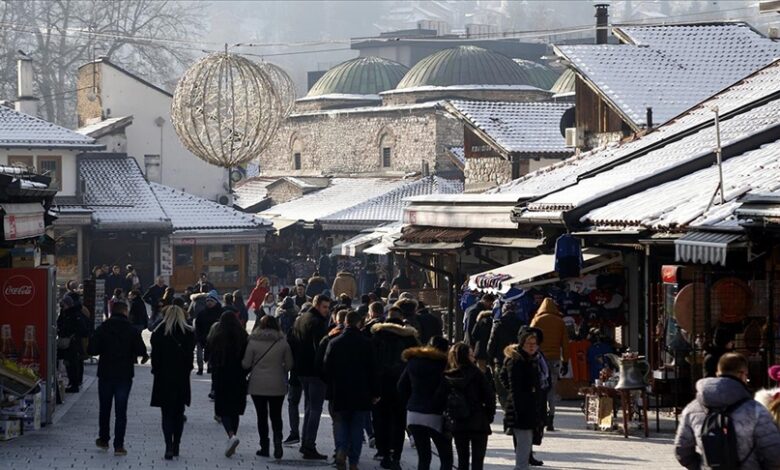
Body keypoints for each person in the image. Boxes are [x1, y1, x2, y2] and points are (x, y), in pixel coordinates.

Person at [675, 353, 780, 469]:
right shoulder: (755, 410)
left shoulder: (692, 409)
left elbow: (681, 450)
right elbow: (773, 453)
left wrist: (701, 466)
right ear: (742, 375)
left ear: (717, 373)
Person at [87, 301, 148, 456]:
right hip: (124, 374)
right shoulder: (131, 329)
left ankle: (104, 439)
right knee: (121, 411)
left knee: (104, 408)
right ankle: (119, 445)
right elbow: (141, 350)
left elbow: (92, 349)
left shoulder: (103, 328)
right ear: (125, 311)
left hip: (106, 373)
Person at [323, 309, 379, 470]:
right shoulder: (367, 344)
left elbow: (326, 368)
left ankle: (341, 450)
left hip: (340, 391)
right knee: (356, 427)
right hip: (361, 392)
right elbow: (374, 370)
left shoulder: (334, 343)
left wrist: (331, 387)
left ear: (345, 322)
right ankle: (353, 461)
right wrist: (375, 392)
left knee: (341, 424)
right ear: (359, 324)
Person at [371, 308, 419, 469]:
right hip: (402, 387)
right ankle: (395, 455)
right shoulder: (410, 338)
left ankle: (383, 452)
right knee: (399, 422)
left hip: (380, 385)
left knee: (380, 420)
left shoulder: (377, 336)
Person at [242, 315, 293, 459]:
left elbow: (246, 363)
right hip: (277, 384)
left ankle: (264, 447)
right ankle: (278, 442)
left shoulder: (252, 342)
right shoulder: (283, 342)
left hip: (257, 385)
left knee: (261, 416)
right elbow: (289, 364)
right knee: (276, 416)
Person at [398, 336, 453, 470]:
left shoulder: (413, 361)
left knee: (424, 457)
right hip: (435, 414)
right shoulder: (443, 364)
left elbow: (401, 386)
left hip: (414, 413)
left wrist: (411, 401)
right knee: (446, 457)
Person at [288, 294, 332, 460]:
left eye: (328, 307)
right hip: (314, 372)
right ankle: (308, 445)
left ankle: (305, 443)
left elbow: (291, 341)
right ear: (317, 305)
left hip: (300, 370)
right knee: (315, 409)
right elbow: (320, 349)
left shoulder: (301, 319)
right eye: (324, 307)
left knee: (309, 407)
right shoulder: (318, 323)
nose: (327, 311)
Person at [150, 305, 195, 460]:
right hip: (181, 378)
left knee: (166, 414)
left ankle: (168, 445)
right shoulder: (188, 332)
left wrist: (156, 370)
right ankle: (177, 445)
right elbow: (190, 358)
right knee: (179, 413)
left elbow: (155, 359)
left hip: (164, 378)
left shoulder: (159, 333)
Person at [500, 328, 548, 470]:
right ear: (522, 344)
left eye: (535, 343)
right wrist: (519, 409)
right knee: (523, 447)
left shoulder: (532, 359)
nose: (532, 346)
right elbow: (514, 387)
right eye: (529, 343)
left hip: (531, 408)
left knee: (526, 446)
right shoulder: (517, 361)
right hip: (521, 410)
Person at [442, 342, 495, 470]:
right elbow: (489, 397)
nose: (474, 358)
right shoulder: (478, 374)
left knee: (462, 459)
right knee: (478, 461)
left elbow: (441, 399)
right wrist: (489, 416)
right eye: (471, 355)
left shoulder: (448, 376)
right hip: (478, 421)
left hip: (459, 421)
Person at [208, 312, 249, 457]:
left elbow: (210, 356)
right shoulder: (243, 336)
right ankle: (233, 437)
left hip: (222, 376)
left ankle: (231, 436)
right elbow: (248, 358)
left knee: (224, 409)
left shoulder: (217, 336)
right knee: (235, 410)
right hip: (239, 377)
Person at [529, 298, 569, 431]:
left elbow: (529, 339)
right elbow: (565, 344)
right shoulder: (560, 322)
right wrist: (565, 361)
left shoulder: (537, 320)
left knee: (539, 388)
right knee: (552, 390)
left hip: (539, 359)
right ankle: (551, 418)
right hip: (555, 359)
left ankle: (541, 417)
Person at [488, 302, 524, 408]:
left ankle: (506, 408)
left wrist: (490, 359)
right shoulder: (521, 324)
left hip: (500, 360)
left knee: (502, 388)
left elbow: (492, 343)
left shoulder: (498, 324)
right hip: (517, 360)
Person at [57, 296, 89, 393]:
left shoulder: (75, 314)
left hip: (73, 343)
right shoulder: (65, 313)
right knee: (69, 363)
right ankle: (73, 383)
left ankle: (75, 384)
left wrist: (71, 333)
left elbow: (83, 330)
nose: (62, 306)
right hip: (69, 343)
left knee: (73, 364)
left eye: (64, 304)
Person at [195, 291, 222, 377]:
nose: (209, 302)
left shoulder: (221, 312)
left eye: (211, 301)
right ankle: (200, 368)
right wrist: (198, 336)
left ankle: (210, 367)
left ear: (216, 302)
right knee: (199, 355)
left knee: (212, 353)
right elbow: (197, 325)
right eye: (207, 301)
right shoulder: (202, 313)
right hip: (202, 336)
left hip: (215, 338)